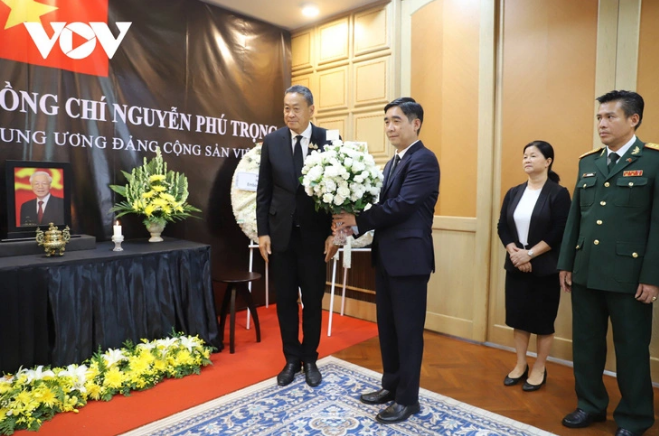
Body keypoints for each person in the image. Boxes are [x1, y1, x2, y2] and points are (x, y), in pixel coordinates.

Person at [557, 90, 658, 436]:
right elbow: (576, 218)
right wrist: (566, 263)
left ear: (634, 120)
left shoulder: (654, 161)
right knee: (586, 345)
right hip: (586, 270)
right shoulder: (590, 162)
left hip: (629, 277)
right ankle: (590, 405)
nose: (602, 123)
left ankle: (634, 417)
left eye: (610, 116)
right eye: (599, 117)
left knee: (631, 350)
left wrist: (652, 276)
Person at [333, 97, 439, 424]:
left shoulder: (424, 160)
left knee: (407, 332)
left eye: (396, 121)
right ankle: (391, 386)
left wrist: (358, 220)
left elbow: (403, 206)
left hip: (410, 261)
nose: (390, 127)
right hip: (388, 258)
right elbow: (383, 204)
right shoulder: (393, 162)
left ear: (415, 123)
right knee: (388, 329)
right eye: (386, 121)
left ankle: (407, 399)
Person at [256, 85, 338, 388]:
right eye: (286, 108)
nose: (290, 114)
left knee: (313, 301)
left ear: (311, 109)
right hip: (281, 236)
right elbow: (264, 190)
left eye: (296, 108)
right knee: (286, 300)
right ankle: (291, 358)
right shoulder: (273, 141)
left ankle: (311, 358)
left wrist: (336, 234)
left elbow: (340, 193)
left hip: (316, 238)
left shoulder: (329, 140)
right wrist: (263, 231)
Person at [497, 141, 571, 392]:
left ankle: (539, 367)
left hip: (545, 268)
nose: (527, 159)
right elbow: (502, 227)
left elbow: (558, 231)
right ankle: (520, 365)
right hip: (516, 264)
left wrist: (529, 254)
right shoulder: (514, 191)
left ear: (548, 161)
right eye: (524, 156)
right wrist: (514, 252)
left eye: (533, 155)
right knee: (519, 319)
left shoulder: (558, 193)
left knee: (542, 321)